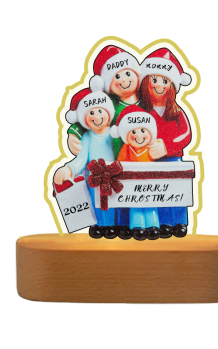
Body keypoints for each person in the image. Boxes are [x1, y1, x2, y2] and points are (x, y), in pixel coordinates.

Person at [66, 45, 144, 237]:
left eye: (128, 73)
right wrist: (74, 132)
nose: (124, 80)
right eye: (117, 76)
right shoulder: (111, 104)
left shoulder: (145, 103)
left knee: (129, 197)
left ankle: (128, 224)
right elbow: (87, 117)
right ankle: (105, 225)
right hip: (107, 168)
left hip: (133, 163)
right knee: (105, 200)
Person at [139, 48, 192, 238]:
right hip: (149, 162)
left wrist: (167, 147)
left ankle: (179, 222)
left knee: (177, 191)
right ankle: (162, 223)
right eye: (154, 79)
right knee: (157, 193)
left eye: (165, 80)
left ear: (172, 85)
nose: (159, 85)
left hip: (173, 161)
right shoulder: (142, 112)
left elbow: (186, 135)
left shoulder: (176, 112)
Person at [53, 83, 117, 239]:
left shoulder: (115, 133)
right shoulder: (87, 137)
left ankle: (112, 225)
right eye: (91, 113)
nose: (96, 117)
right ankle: (98, 225)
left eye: (100, 111)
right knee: (95, 204)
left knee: (113, 203)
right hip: (94, 179)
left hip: (115, 176)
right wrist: (69, 169)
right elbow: (81, 159)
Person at [111, 105, 160, 241]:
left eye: (143, 130)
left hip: (150, 183)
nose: (138, 135)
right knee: (135, 204)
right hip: (132, 183)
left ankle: (153, 224)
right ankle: (137, 225)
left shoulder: (151, 148)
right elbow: (120, 163)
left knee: (151, 202)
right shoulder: (126, 148)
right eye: (133, 132)